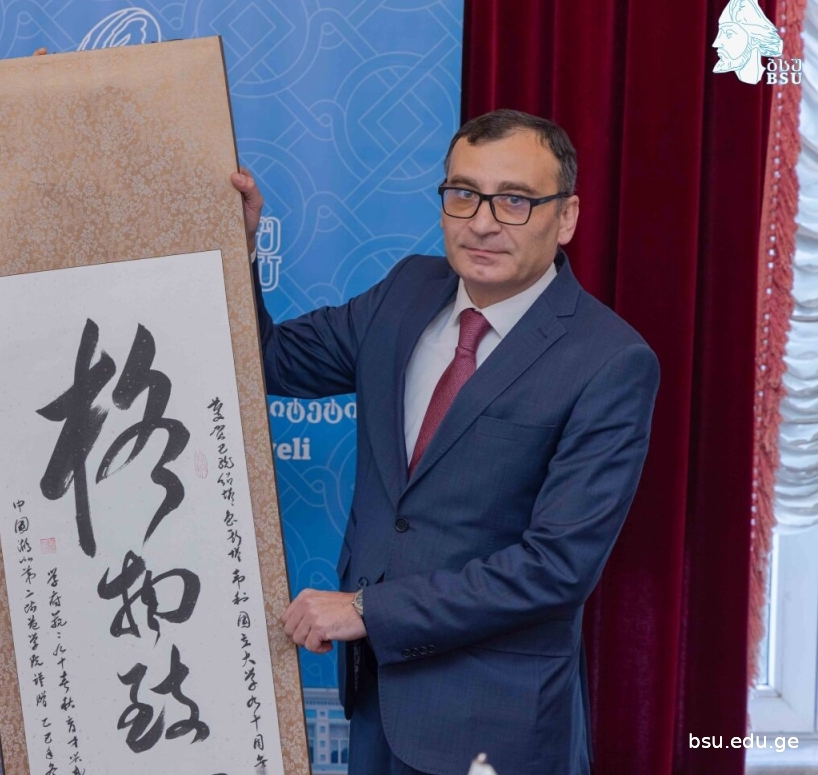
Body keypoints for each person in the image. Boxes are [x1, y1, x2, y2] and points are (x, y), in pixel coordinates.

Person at [231, 109, 660, 775]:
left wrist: (369, 610)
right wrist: (238, 244)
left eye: (514, 200)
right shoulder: (406, 291)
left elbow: (556, 568)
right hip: (375, 702)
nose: (482, 222)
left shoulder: (609, 360)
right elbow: (269, 361)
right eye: (463, 193)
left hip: (495, 723)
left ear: (566, 217)